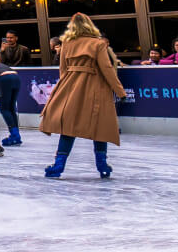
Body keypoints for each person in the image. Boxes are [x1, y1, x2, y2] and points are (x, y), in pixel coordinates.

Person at [39, 12, 123, 178]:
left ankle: (58, 165)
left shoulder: (66, 44)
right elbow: (106, 69)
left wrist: (64, 87)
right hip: (95, 87)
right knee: (100, 127)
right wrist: (119, 90)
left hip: (70, 86)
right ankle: (102, 164)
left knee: (69, 127)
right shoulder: (98, 44)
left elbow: (62, 69)